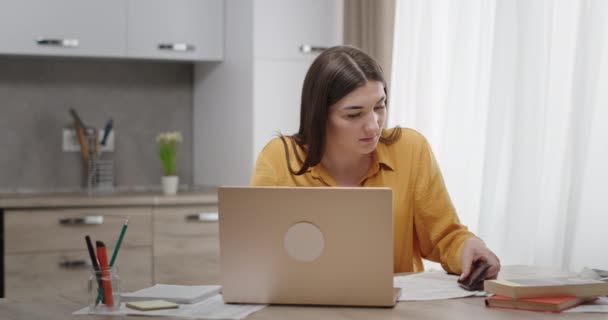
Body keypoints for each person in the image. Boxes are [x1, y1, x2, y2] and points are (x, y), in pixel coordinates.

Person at [250, 45, 500, 280]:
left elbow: (445, 236)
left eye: (379, 107)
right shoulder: (279, 159)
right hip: (305, 306)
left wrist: (469, 246)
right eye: (354, 114)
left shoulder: (411, 150)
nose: (373, 125)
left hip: (396, 309)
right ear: (319, 116)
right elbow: (254, 252)